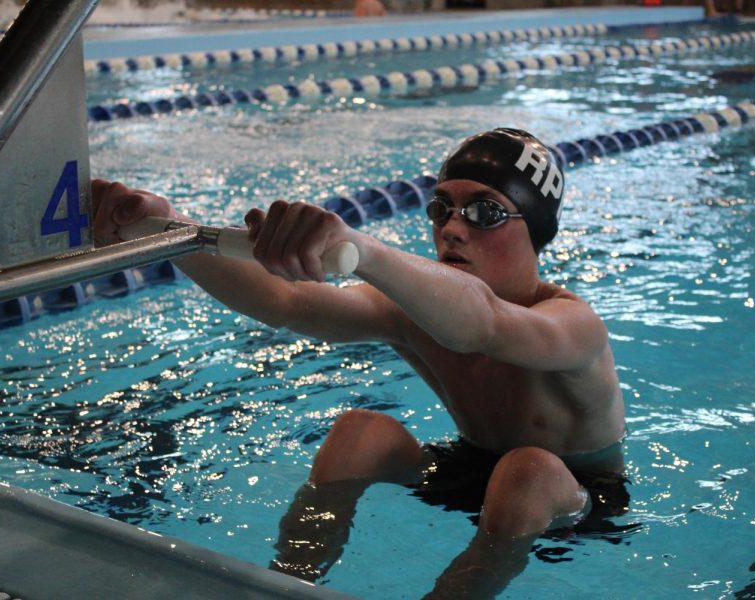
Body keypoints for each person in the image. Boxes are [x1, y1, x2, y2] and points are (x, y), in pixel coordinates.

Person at [92, 128, 627, 598]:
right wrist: (167, 226)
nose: (453, 228)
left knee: (527, 469)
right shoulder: (412, 314)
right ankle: (286, 586)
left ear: (534, 228)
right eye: (442, 208)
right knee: (359, 432)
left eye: (485, 211)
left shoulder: (572, 325)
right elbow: (288, 302)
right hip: (473, 470)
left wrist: (363, 251)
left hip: (573, 499)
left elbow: (483, 323)